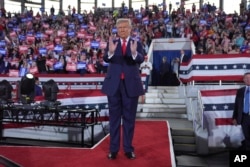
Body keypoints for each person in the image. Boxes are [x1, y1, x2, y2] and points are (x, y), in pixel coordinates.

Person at [101, 18, 144, 160]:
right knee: (114, 119)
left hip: (131, 86)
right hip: (114, 86)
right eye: (119, 28)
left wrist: (133, 53)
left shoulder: (136, 43)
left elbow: (141, 58)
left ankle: (128, 148)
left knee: (129, 119)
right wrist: (111, 53)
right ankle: (113, 149)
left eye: (125, 27)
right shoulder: (112, 43)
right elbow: (106, 59)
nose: (122, 30)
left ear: (130, 29)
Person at [232, 72, 250, 150]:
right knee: (247, 136)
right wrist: (235, 117)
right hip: (244, 117)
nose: (248, 80)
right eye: (246, 78)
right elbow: (237, 105)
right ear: (243, 80)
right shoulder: (240, 91)